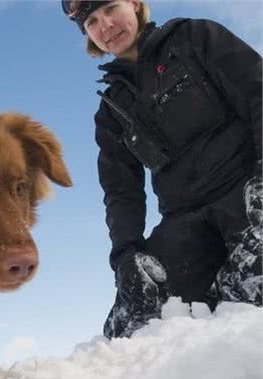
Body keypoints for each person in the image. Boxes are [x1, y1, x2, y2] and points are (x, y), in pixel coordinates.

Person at [61, 0, 262, 338]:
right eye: (92, 22)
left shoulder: (195, 38)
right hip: (186, 223)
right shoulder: (111, 112)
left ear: (136, 4)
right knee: (130, 325)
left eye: (110, 8)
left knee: (245, 296)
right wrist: (126, 255)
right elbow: (121, 191)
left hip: (247, 192)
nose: (105, 26)